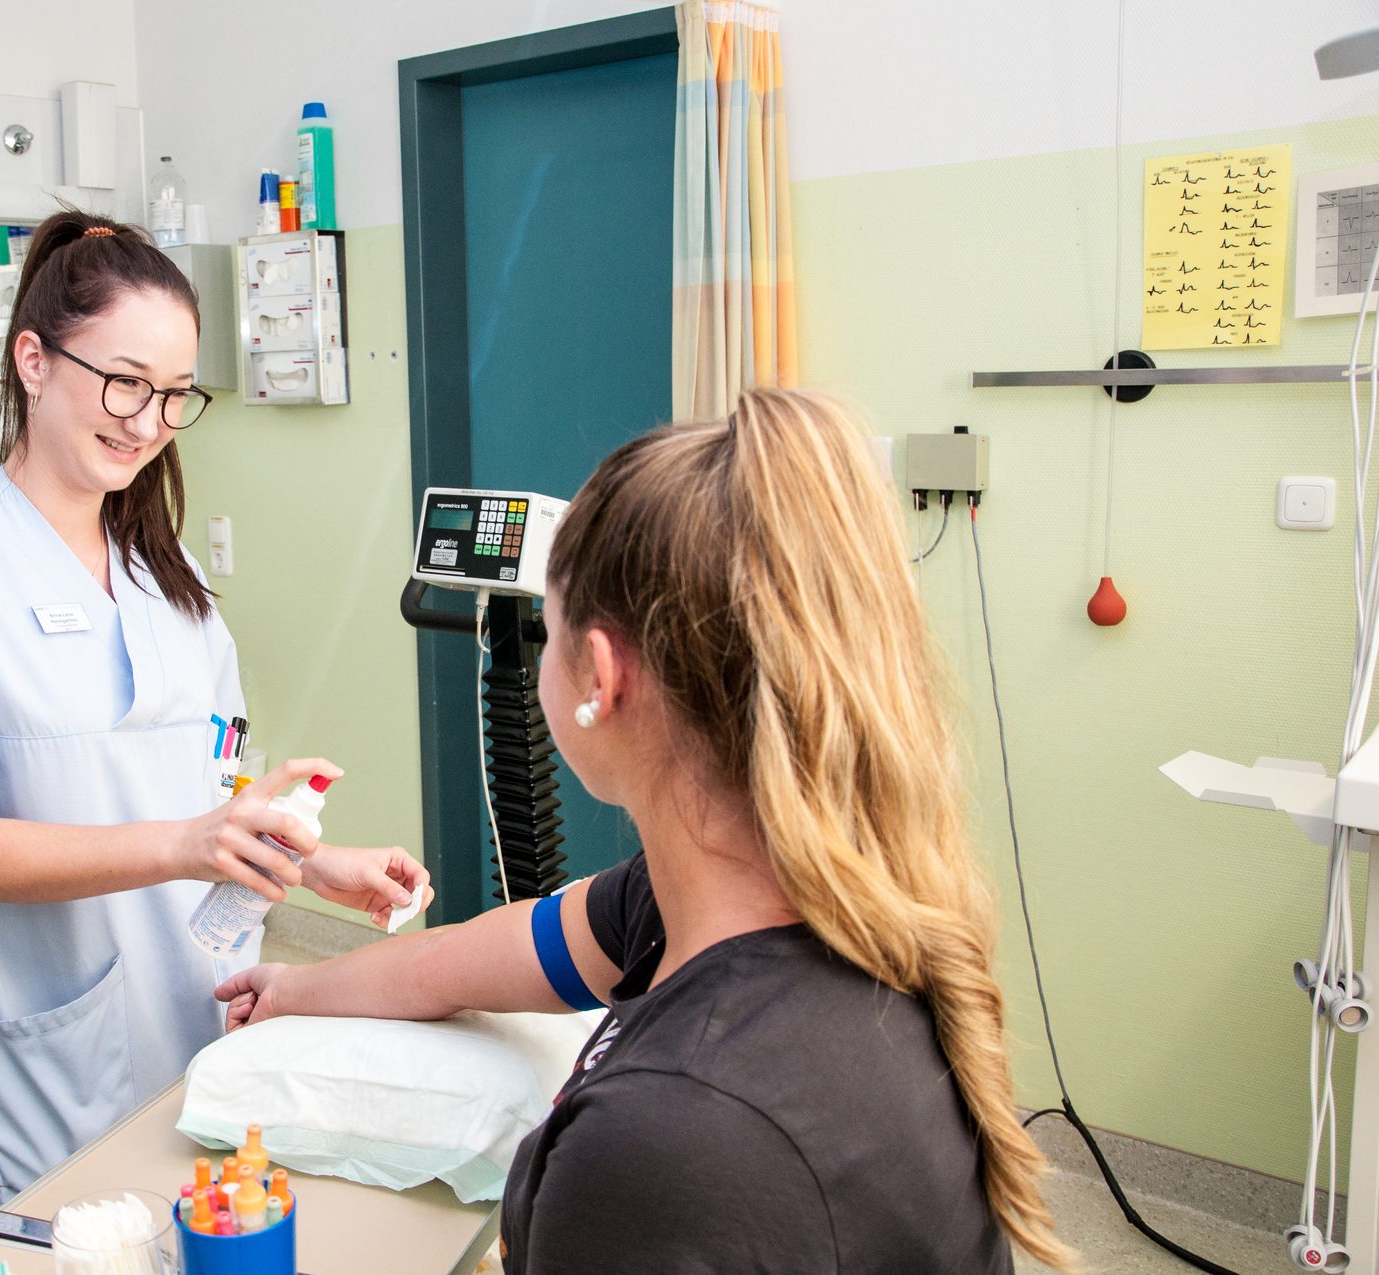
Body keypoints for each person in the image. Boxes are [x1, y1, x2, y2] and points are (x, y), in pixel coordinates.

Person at [216, 390, 1074, 1273]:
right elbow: (474, 955)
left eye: (548, 632)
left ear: (601, 673)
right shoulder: (736, 893)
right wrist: (297, 986)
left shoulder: (661, 1144)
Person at [0, 211, 428, 1208]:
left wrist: (321, 864)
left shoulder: (163, 572)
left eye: (175, 395)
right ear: (33, 359)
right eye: (124, 382)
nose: (146, 421)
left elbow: (214, 786)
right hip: (50, 1061)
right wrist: (187, 845)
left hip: (204, 1018)